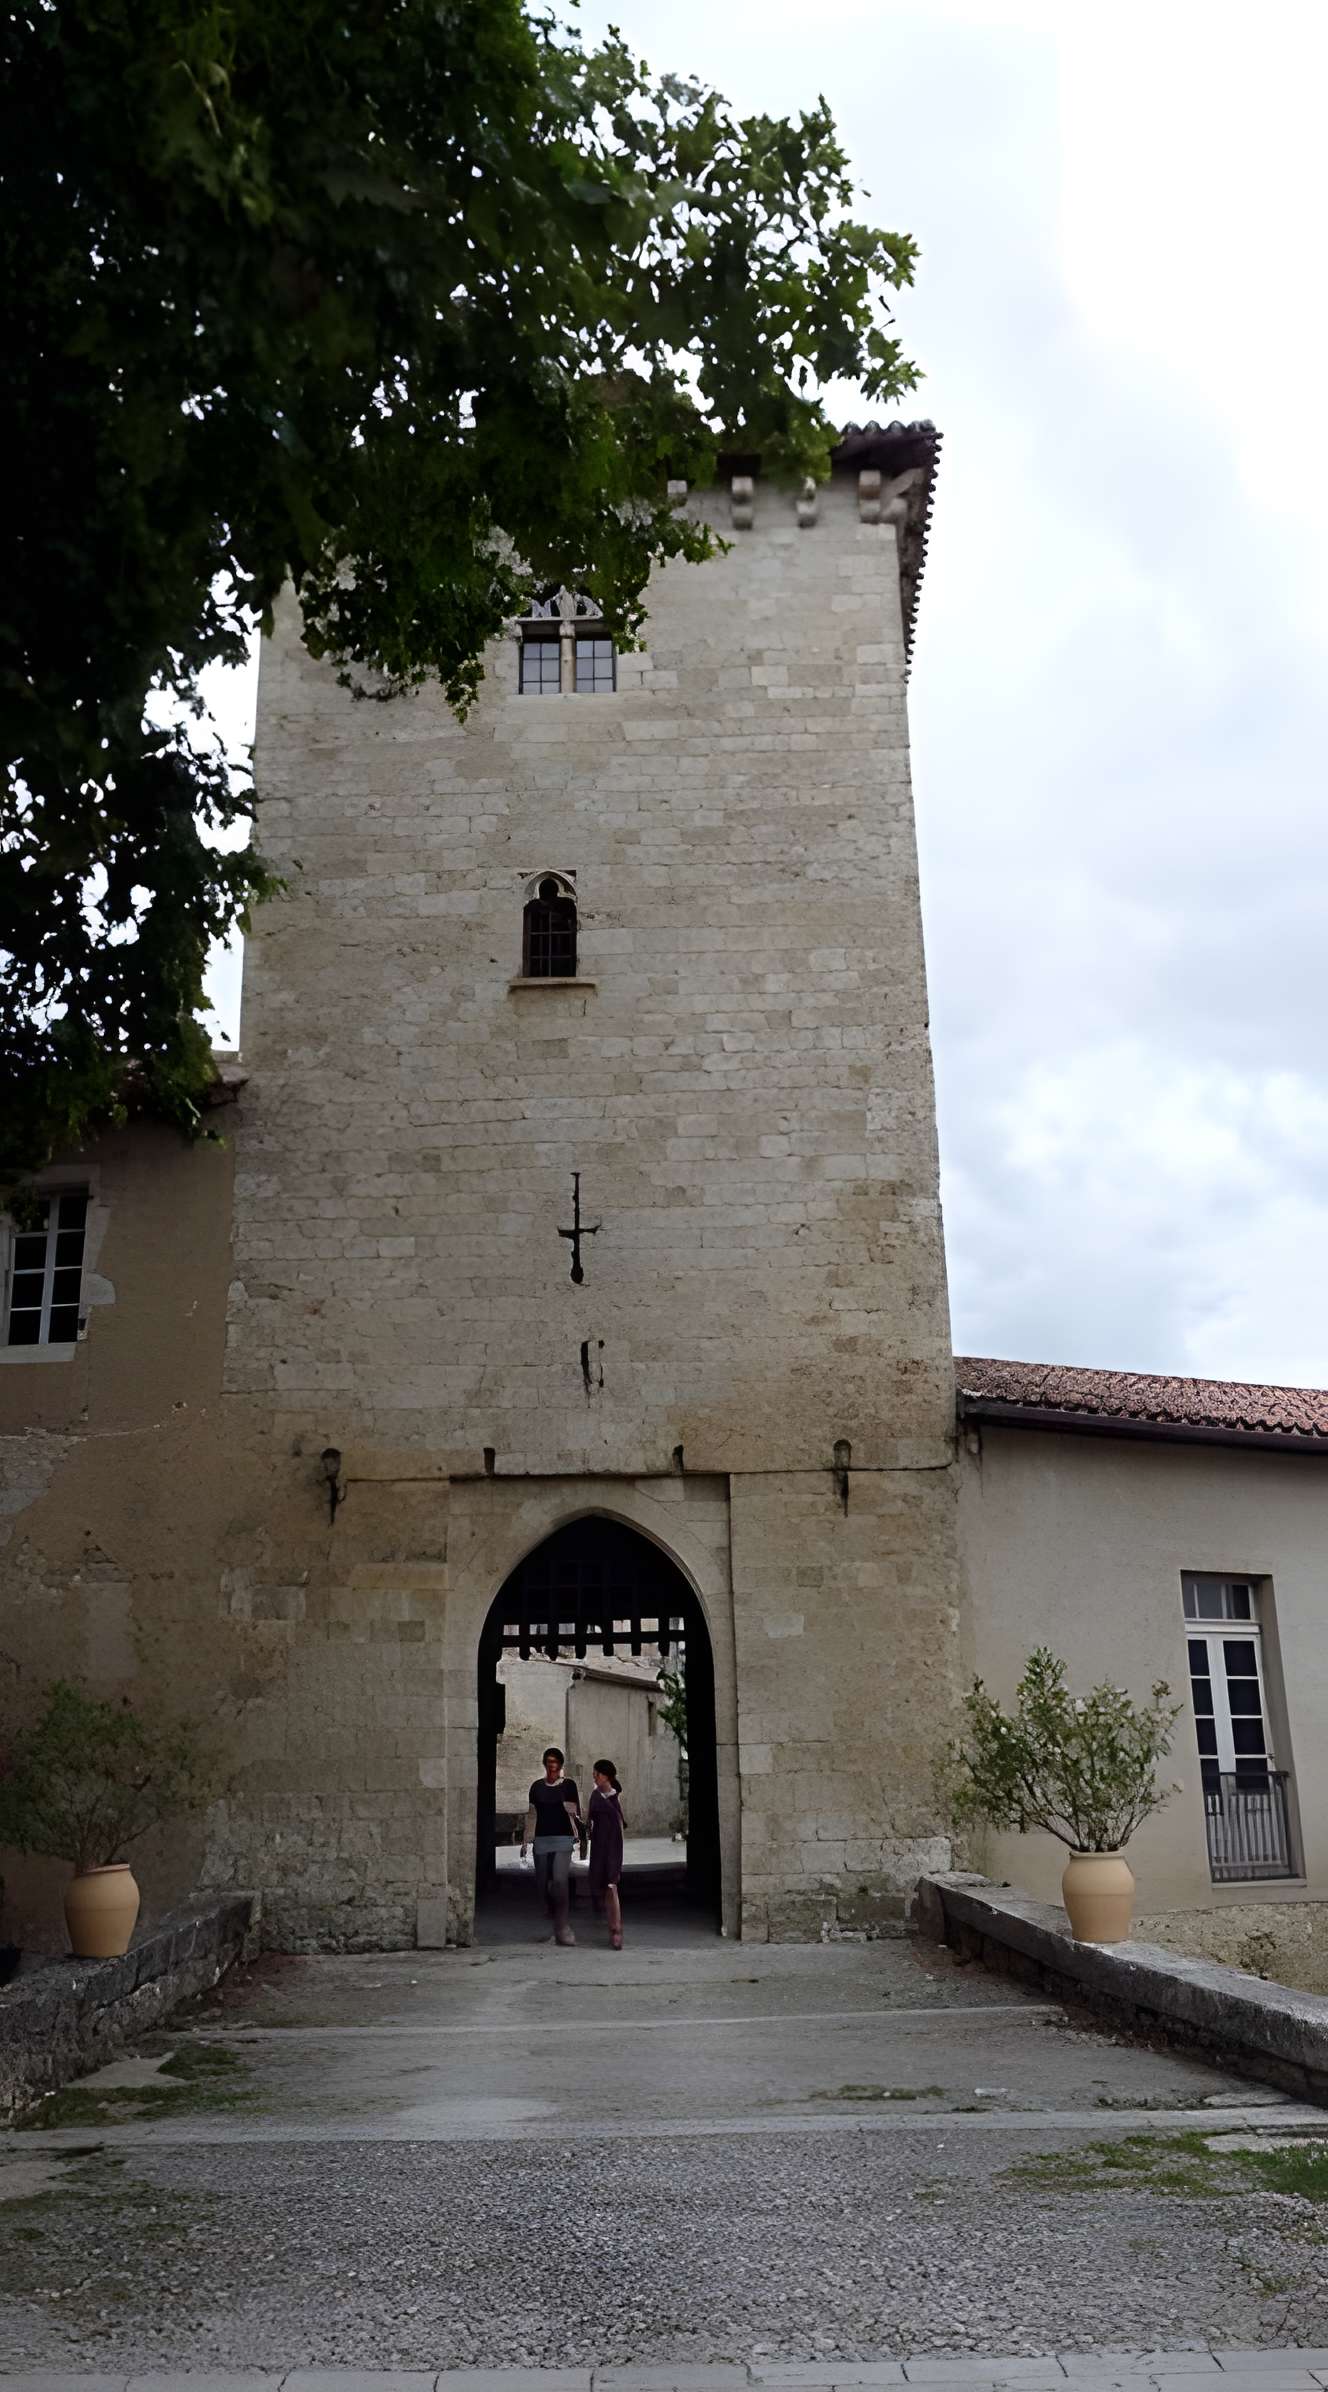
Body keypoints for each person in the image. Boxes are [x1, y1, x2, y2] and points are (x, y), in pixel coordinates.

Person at [520, 1746, 582, 1947]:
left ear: (561, 1764)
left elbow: (575, 1814)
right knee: (543, 1884)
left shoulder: (568, 1786)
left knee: (559, 1880)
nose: (552, 1765)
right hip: (541, 1839)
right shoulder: (536, 1787)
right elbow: (532, 1815)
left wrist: (581, 1839)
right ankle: (552, 1914)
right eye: (549, 1761)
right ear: (545, 1764)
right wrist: (525, 1840)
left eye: (555, 1761)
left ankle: (563, 1927)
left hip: (563, 1838)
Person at [587, 1759, 626, 1949]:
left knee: (612, 1887)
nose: (594, 1777)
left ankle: (616, 1931)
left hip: (613, 1846)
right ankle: (609, 1925)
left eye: (597, 1774)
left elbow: (620, 1825)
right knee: (601, 1887)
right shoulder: (594, 1796)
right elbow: (590, 1823)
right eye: (594, 1774)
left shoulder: (616, 1797)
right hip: (598, 1847)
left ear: (606, 1776)